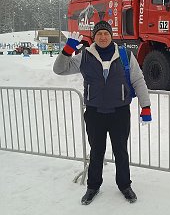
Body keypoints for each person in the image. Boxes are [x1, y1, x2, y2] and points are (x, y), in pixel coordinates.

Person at [53, 20, 152, 205]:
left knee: (121, 151)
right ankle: (93, 186)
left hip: (119, 112)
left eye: (106, 33)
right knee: (96, 151)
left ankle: (125, 185)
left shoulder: (125, 55)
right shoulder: (84, 56)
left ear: (111, 35)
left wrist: (145, 107)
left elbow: (138, 81)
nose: (103, 37)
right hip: (95, 113)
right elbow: (59, 69)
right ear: (94, 36)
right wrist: (67, 50)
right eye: (99, 34)